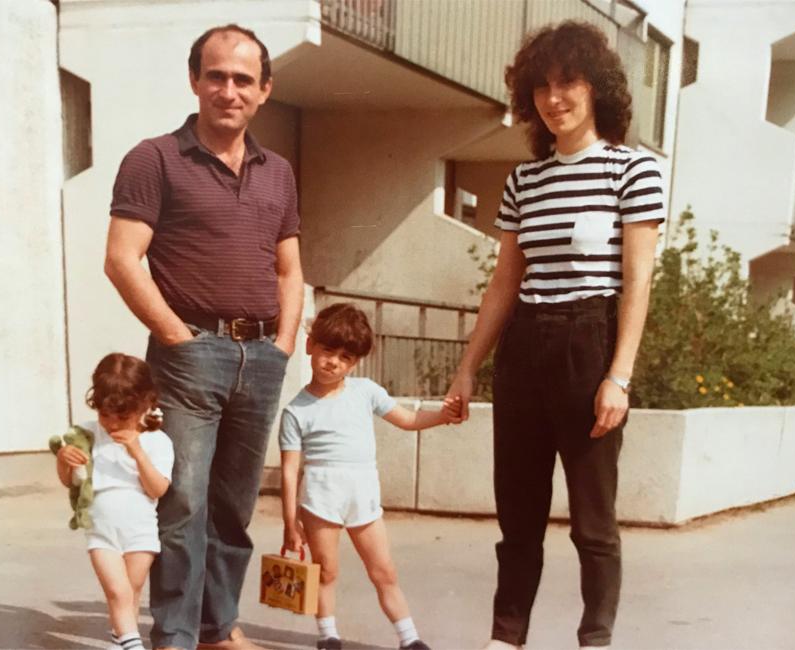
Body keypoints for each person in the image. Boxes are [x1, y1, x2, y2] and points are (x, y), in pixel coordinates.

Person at [443, 21, 665, 650]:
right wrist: (467, 368)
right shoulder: (525, 180)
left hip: (588, 344)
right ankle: (505, 639)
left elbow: (637, 283)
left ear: (597, 89)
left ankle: (594, 639)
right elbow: (503, 286)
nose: (554, 97)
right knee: (518, 520)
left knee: (593, 524)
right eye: (541, 85)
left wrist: (618, 376)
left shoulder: (633, 171)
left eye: (568, 81)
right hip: (524, 352)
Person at [104, 23, 304, 650]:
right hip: (189, 355)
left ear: (265, 90)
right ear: (195, 80)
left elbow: (290, 268)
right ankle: (177, 634)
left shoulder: (279, 173)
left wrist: (284, 345)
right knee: (182, 502)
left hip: (261, 356)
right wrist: (177, 337)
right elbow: (121, 259)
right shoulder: (154, 158)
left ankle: (219, 627)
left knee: (234, 506)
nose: (228, 89)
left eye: (243, 79)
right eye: (215, 75)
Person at [279, 303, 459, 650]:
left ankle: (410, 639)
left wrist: (443, 416)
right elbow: (289, 470)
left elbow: (407, 420)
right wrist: (290, 521)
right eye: (328, 350)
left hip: (362, 494)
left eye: (345, 357)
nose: (333, 361)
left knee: (384, 571)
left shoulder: (366, 392)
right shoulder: (295, 411)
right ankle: (328, 635)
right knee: (325, 571)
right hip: (320, 497)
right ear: (310, 346)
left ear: (355, 362)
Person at [55, 353, 175, 650]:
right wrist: (63, 461)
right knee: (118, 593)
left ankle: (118, 642)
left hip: (140, 531)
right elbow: (71, 482)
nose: (112, 424)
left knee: (131, 593)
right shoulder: (88, 435)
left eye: (122, 417)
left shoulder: (157, 441)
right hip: (101, 529)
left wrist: (137, 452)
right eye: (105, 415)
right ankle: (133, 646)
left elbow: (157, 489)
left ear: (145, 404)